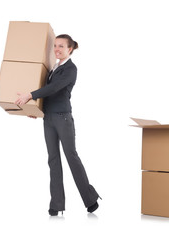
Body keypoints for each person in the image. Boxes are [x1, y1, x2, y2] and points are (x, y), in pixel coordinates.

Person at [15, 34, 100, 216]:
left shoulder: (71, 69)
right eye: (55, 46)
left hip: (63, 118)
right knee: (53, 159)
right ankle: (56, 204)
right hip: (49, 119)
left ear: (70, 49)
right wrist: (37, 110)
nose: (57, 49)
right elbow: (47, 94)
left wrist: (30, 95)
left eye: (61, 46)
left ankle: (90, 199)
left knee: (71, 157)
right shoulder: (54, 67)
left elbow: (54, 88)